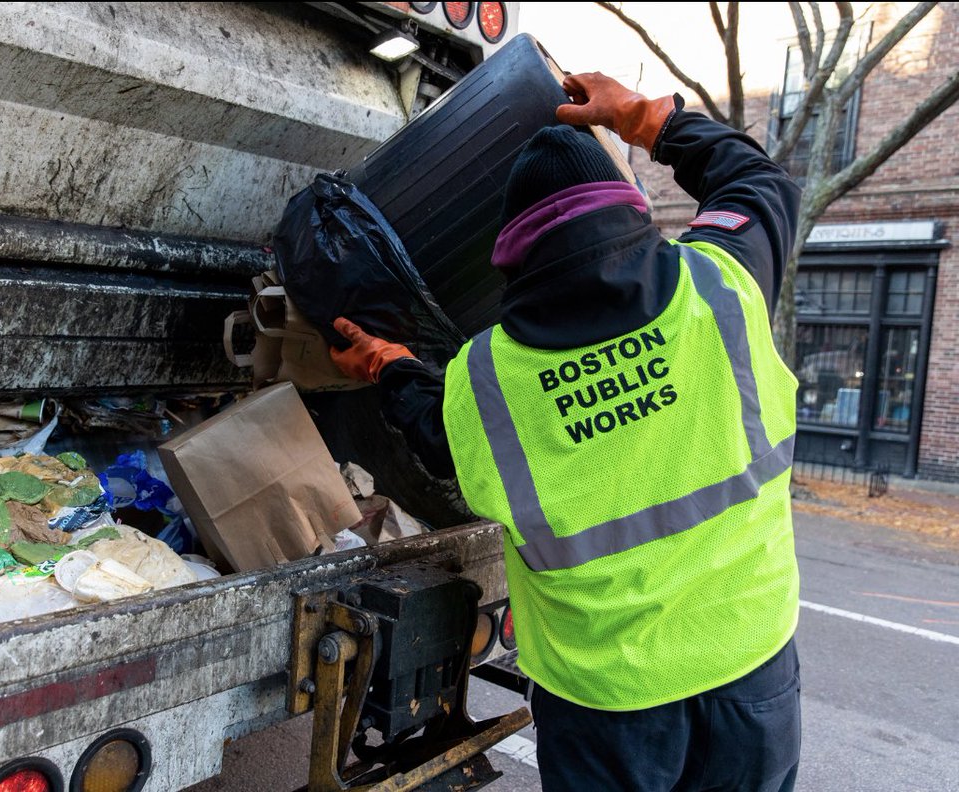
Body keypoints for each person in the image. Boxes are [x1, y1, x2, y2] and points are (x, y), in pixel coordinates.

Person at [329, 72, 803, 792]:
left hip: (604, 704)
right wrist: (643, 118)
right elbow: (758, 182)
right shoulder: (720, 289)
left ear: (512, 258)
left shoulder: (489, 380)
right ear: (633, 218)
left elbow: (435, 432)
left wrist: (386, 363)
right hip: (750, 666)